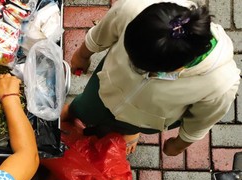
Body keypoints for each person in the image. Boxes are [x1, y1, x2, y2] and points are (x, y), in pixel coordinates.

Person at [60, 0, 240, 155]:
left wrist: (178, 144)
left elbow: (201, 121)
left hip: (148, 118)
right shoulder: (134, 7)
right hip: (105, 87)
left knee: (130, 125)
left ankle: (130, 131)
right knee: (86, 105)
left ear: (178, 67)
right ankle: (75, 111)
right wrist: (82, 55)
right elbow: (104, 31)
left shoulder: (221, 84)